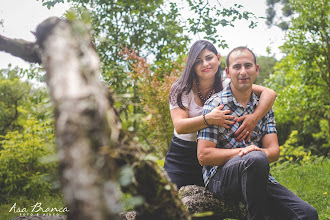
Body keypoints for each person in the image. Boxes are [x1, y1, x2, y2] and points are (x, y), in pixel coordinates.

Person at [197, 46, 318, 219]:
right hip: (221, 179)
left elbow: (273, 151)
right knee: (255, 158)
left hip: (259, 176)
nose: (243, 72)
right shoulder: (214, 105)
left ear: (257, 69)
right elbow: (204, 155)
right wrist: (244, 154)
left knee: (306, 214)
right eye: (237, 67)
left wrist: (256, 154)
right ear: (228, 72)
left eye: (248, 66)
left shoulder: (263, 107)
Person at [164, 40, 277, 190]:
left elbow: (270, 93)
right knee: (172, 202)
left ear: (218, 58)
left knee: (207, 208)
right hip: (182, 154)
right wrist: (209, 119)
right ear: (192, 65)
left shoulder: (227, 84)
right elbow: (180, 126)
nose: (205, 64)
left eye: (209, 58)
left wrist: (254, 118)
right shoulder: (180, 89)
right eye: (198, 61)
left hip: (214, 153)